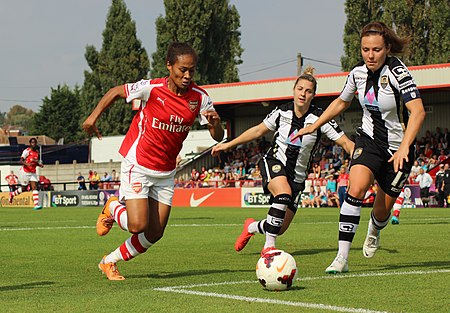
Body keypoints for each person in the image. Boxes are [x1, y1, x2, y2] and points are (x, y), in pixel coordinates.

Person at [82, 42, 224, 280]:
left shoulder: (200, 99)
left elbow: (217, 136)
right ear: (169, 66)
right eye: (182, 70)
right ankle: (112, 207)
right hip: (138, 163)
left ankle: (109, 261)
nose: (188, 75)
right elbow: (117, 91)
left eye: (192, 70)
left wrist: (216, 125)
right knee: (138, 225)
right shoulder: (152, 88)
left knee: (155, 233)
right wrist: (92, 118)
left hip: (166, 171)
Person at [294, 22, 426, 273]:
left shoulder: (399, 72)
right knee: (355, 188)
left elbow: (418, 112)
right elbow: (341, 102)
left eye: (376, 49)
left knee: (382, 210)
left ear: (387, 48)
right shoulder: (357, 74)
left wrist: (404, 148)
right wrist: (315, 125)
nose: (370, 55)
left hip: (400, 148)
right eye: (365, 49)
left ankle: (375, 228)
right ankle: (341, 258)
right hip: (368, 141)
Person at [211, 67, 354, 256]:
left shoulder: (320, 119)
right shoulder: (281, 112)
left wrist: (360, 159)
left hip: (298, 177)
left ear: (313, 95)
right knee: (283, 194)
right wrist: (230, 144)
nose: (303, 93)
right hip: (274, 162)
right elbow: (257, 131)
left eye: (308, 91)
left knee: (278, 227)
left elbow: (345, 142)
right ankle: (268, 248)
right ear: (294, 90)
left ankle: (252, 227)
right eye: (300, 89)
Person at [9, 137, 44, 210]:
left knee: (35, 187)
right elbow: (21, 160)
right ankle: (12, 194)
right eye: (32, 142)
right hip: (25, 172)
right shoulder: (27, 151)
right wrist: (26, 164)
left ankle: (36, 205)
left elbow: (34, 163)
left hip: (33, 172)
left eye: (34, 142)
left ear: (36, 143)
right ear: (30, 144)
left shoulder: (37, 152)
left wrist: (39, 165)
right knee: (24, 188)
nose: (33, 144)